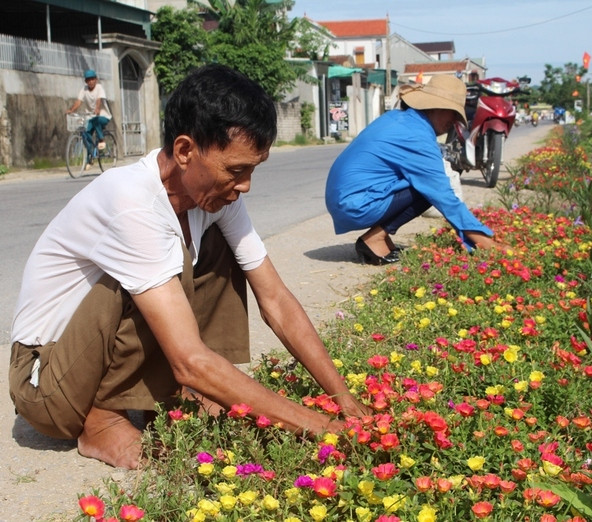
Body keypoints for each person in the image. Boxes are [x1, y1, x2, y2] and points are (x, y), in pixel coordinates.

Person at [10, 64, 367, 470]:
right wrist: (318, 427)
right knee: (156, 268)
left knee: (218, 248)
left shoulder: (214, 197)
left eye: (253, 169)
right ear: (184, 151)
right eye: (236, 170)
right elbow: (189, 358)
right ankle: (100, 418)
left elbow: (276, 300)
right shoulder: (132, 203)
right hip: (48, 383)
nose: (246, 184)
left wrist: (341, 396)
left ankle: (160, 400)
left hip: (88, 357)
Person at [325, 75, 501, 265]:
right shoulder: (417, 137)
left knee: (425, 183)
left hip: (346, 198)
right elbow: (444, 197)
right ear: (435, 107)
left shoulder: (401, 119)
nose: (454, 121)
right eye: (452, 113)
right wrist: (485, 242)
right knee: (428, 188)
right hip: (354, 204)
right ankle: (373, 240)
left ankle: (381, 237)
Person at [65, 69, 112, 166]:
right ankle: (90, 157)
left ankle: (101, 140)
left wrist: (97, 109)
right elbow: (78, 101)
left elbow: (99, 100)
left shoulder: (99, 88)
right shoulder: (84, 90)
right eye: (88, 80)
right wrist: (71, 110)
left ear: (96, 80)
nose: (90, 82)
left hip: (103, 116)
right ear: (86, 81)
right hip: (90, 117)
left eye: (92, 79)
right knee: (85, 133)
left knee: (96, 120)